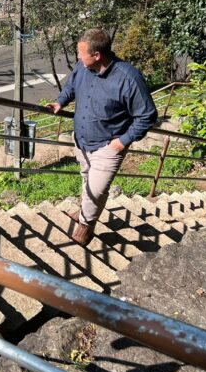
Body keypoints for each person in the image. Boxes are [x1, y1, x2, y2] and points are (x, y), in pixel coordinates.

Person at [47, 27, 157, 246]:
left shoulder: (128, 78)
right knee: (87, 178)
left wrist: (123, 141)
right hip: (82, 140)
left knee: (96, 189)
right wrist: (60, 102)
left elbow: (147, 115)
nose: (79, 58)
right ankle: (84, 211)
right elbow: (71, 86)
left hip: (108, 144)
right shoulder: (83, 67)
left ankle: (86, 225)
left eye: (82, 54)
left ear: (97, 55)